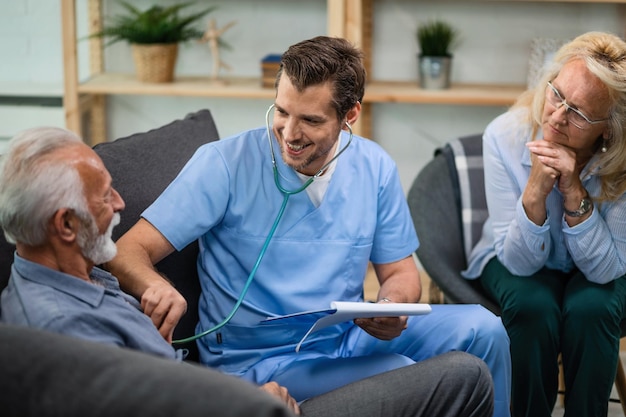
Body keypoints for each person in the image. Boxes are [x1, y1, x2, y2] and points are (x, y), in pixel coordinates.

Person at [107, 35, 512, 417]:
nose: (290, 134)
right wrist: (155, 285)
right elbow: (126, 252)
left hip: (347, 336)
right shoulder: (224, 164)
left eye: (311, 120)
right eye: (282, 112)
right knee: (403, 372)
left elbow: (401, 273)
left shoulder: (374, 167)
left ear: (350, 114)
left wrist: (391, 307)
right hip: (260, 361)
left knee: (485, 329)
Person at [0, 126, 495, 417]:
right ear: (65, 224)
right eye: (105, 196)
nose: (121, 202)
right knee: (458, 378)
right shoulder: (62, 330)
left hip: (236, 395)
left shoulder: (82, 272)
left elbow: (150, 382)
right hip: (249, 402)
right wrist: (243, 400)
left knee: (480, 332)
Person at [462, 31, 626, 417]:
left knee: (593, 307)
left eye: (579, 114)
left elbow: (605, 271)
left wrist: (573, 192)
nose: (557, 116)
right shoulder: (505, 135)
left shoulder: (621, 160)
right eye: (557, 95)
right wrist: (536, 188)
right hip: (509, 253)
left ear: (608, 127)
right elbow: (519, 265)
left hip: (603, 266)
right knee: (533, 305)